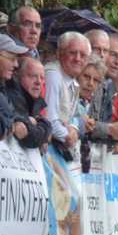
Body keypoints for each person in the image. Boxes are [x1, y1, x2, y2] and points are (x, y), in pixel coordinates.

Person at [44, 32, 90, 160]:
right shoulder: (53, 75)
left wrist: (74, 128)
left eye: (83, 55)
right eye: (73, 53)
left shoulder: (73, 81)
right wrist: (68, 136)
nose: (78, 59)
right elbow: (49, 119)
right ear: (59, 53)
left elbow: (74, 116)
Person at [1, 57, 52, 148]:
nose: (38, 82)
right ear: (17, 76)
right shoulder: (13, 96)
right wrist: (42, 130)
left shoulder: (34, 100)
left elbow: (44, 128)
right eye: (33, 76)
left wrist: (41, 124)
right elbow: (31, 139)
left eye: (42, 78)